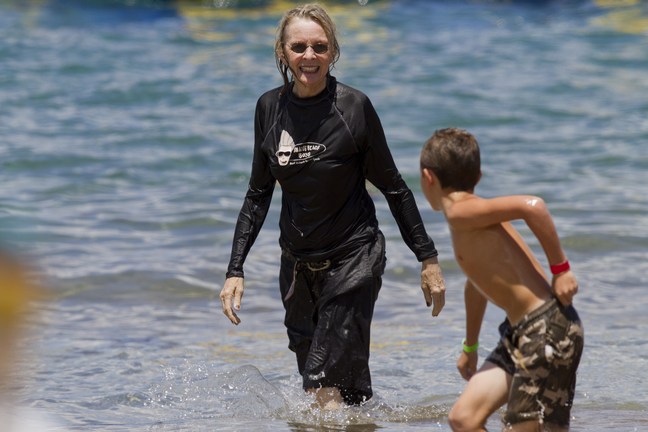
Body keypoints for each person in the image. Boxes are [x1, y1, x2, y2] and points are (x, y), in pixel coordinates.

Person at [219, 3, 446, 409]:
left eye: (319, 47)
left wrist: (427, 259)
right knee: (344, 393)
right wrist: (235, 268)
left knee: (320, 384)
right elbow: (257, 194)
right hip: (297, 268)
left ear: (333, 52)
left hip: (354, 259)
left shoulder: (354, 108)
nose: (309, 57)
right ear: (283, 53)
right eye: (299, 47)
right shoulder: (269, 109)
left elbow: (394, 187)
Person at [419, 128, 584, 431]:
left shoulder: (460, 213)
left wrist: (561, 270)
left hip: (545, 329)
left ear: (428, 177)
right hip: (523, 332)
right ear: (478, 176)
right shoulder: (470, 217)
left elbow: (533, 206)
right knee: (464, 418)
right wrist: (470, 348)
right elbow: (476, 285)